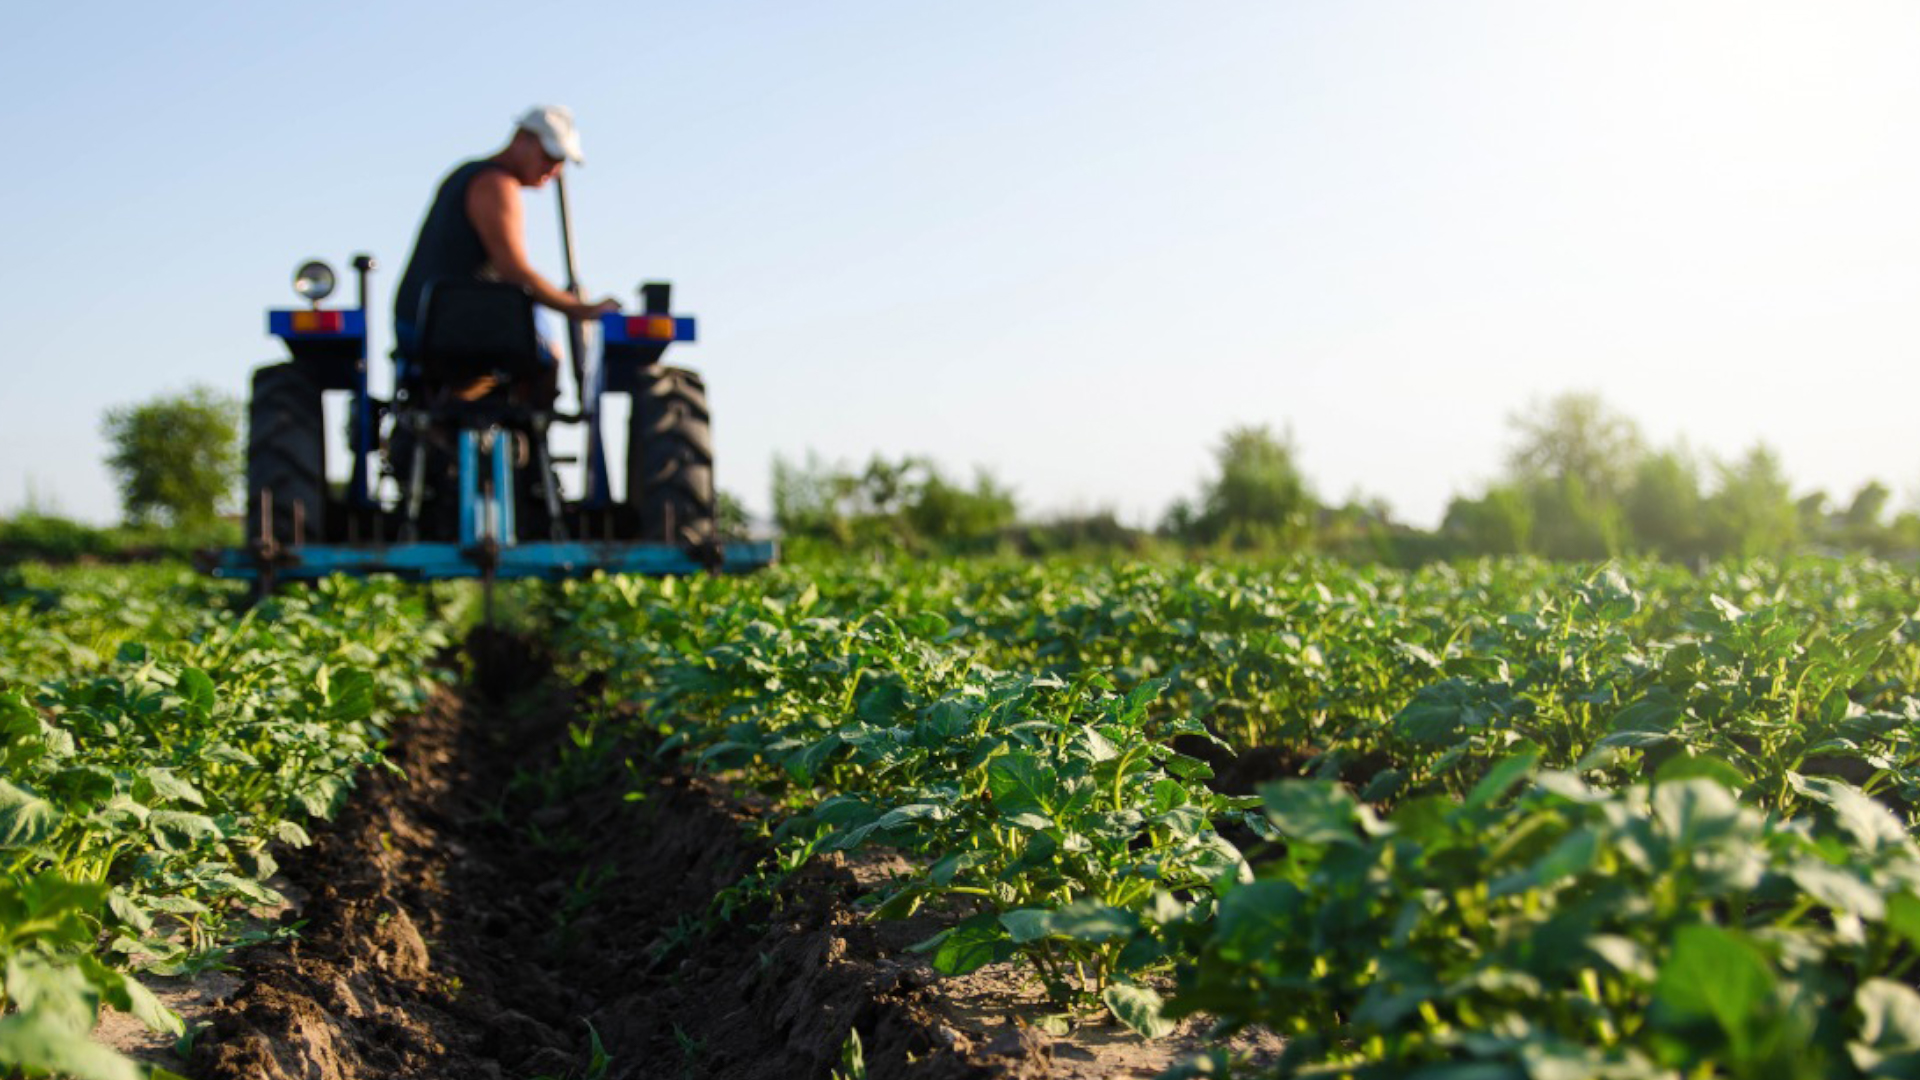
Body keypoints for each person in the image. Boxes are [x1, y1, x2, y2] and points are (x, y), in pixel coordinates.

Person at [391, 105, 620, 400]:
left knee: (532, 326)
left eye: (560, 161)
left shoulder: (465, 175)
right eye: (549, 157)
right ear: (521, 140)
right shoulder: (496, 184)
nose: (554, 169)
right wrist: (582, 310)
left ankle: (456, 420)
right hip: (448, 326)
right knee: (547, 352)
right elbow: (514, 270)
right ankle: (532, 431)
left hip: (418, 321)